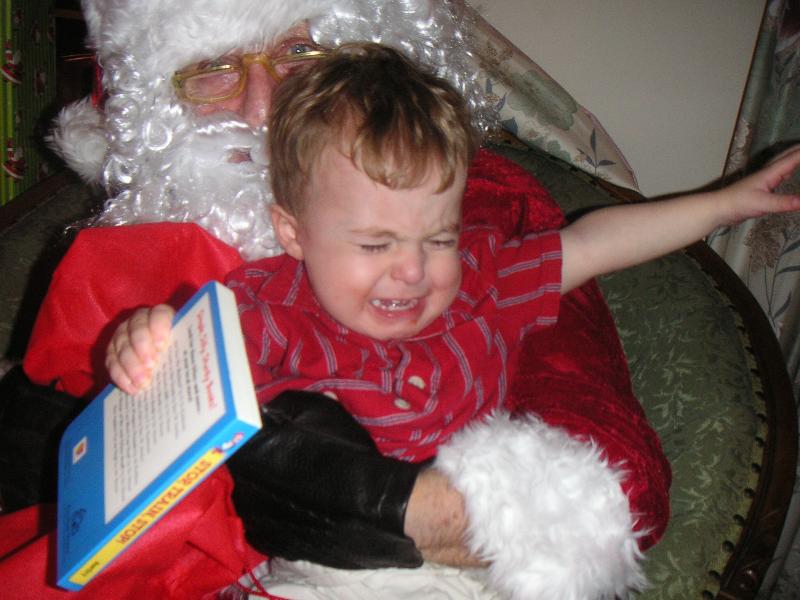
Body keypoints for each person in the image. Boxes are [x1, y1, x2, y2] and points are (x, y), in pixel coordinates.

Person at [0, 1, 665, 598]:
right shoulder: (126, 247)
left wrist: (421, 507)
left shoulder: (459, 203)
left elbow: (606, 456)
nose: (261, 107)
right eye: (212, 69)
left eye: (297, 52)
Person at [104, 42, 800, 599]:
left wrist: (721, 206)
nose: (412, 271)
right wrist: (140, 340)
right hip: (327, 569)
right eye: (375, 245)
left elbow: (592, 243)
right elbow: (171, 383)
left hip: (476, 563)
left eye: (437, 237)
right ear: (293, 233)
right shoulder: (268, 308)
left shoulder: (479, 284)